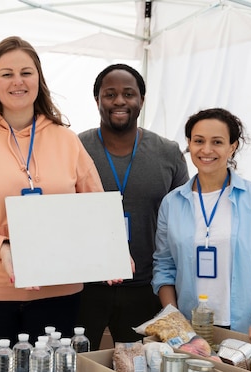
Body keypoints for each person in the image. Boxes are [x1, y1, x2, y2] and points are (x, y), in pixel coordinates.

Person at [0, 36, 111, 372]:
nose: (18, 81)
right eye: (7, 73)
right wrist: (0, 246)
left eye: (26, 72)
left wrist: (110, 248)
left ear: (39, 80)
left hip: (56, 295)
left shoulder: (65, 139)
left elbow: (93, 207)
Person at [76, 64, 189, 350]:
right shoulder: (75, 148)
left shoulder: (167, 152)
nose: (119, 101)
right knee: (75, 370)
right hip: (86, 286)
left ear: (141, 99)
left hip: (145, 286)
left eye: (129, 93)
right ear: (97, 100)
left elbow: (182, 220)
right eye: (109, 94)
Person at [152, 107, 251, 346]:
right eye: (198, 141)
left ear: (232, 146)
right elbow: (164, 266)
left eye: (217, 142)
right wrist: (174, 320)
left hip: (243, 327)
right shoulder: (172, 203)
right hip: (189, 329)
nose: (206, 150)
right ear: (189, 144)